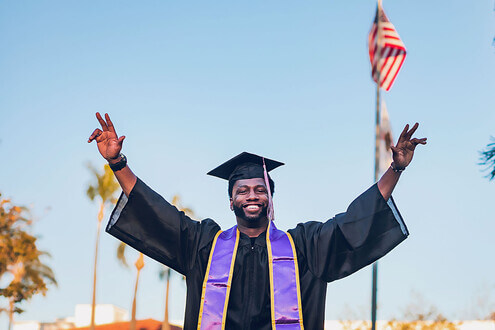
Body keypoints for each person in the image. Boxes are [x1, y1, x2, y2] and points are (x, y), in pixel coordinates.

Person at [88, 112, 427, 330]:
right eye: (243, 190)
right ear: (231, 199)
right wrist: (118, 162)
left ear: (270, 199)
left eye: (259, 189)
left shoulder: (304, 247)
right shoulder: (203, 246)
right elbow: (158, 214)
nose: (251, 195)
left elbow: (353, 222)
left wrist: (395, 169)